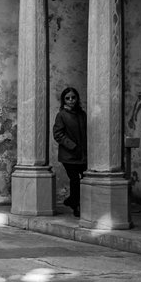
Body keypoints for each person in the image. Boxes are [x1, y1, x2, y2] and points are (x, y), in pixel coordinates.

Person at [53, 86, 87, 218]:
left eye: (73, 98)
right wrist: (72, 146)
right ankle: (76, 206)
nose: (71, 100)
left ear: (77, 98)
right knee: (75, 179)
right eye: (67, 98)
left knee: (85, 179)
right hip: (69, 155)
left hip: (82, 155)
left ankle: (72, 200)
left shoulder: (82, 114)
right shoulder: (61, 115)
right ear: (64, 100)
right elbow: (57, 134)